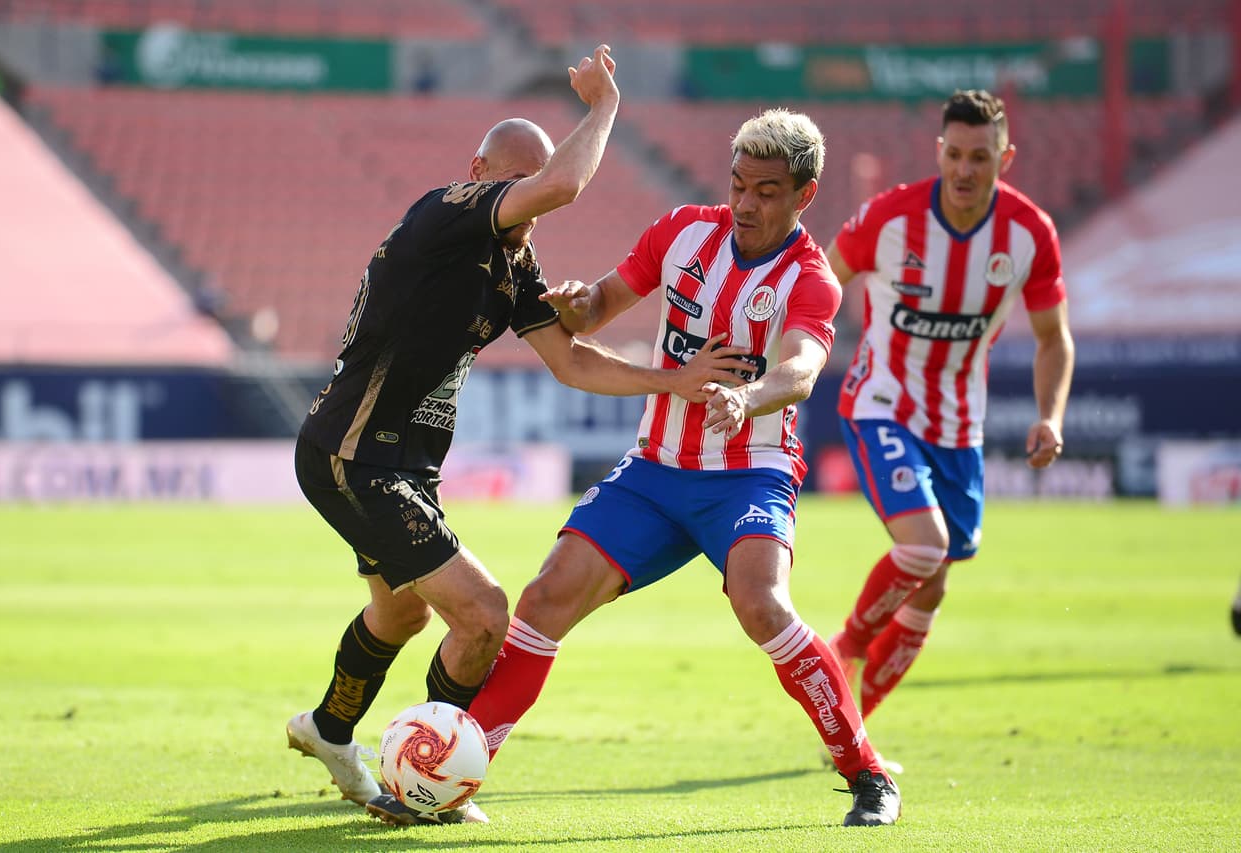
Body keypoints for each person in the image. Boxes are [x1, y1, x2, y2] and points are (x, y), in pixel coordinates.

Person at [367, 107, 902, 828]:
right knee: (547, 594)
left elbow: (802, 368)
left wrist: (748, 395)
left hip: (748, 473)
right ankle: (459, 776)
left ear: (803, 195)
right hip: (653, 470)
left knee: (761, 603)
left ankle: (866, 772)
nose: (746, 202)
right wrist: (575, 303)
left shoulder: (809, 277)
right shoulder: (683, 231)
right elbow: (599, 307)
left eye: (767, 191)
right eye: (739, 183)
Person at [286, 45, 751, 824]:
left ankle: (331, 730)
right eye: (514, 187)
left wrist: (669, 379)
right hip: (354, 455)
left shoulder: (513, 264)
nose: (527, 207)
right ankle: (422, 783)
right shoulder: (447, 213)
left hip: (398, 465)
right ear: (479, 172)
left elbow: (570, 360)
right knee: (484, 615)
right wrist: (604, 107)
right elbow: (564, 183)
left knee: (401, 614)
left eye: (528, 198)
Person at [823, 89, 1076, 726]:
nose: (965, 170)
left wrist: (1051, 416)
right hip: (880, 401)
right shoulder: (890, 218)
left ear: (1005, 158)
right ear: (940, 151)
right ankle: (844, 650)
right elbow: (823, 279)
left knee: (933, 583)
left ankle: (852, 729)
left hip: (959, 423)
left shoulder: (1029, 234)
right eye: (955, 155)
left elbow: (1053, 339)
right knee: (924, 547)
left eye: (980, 157)